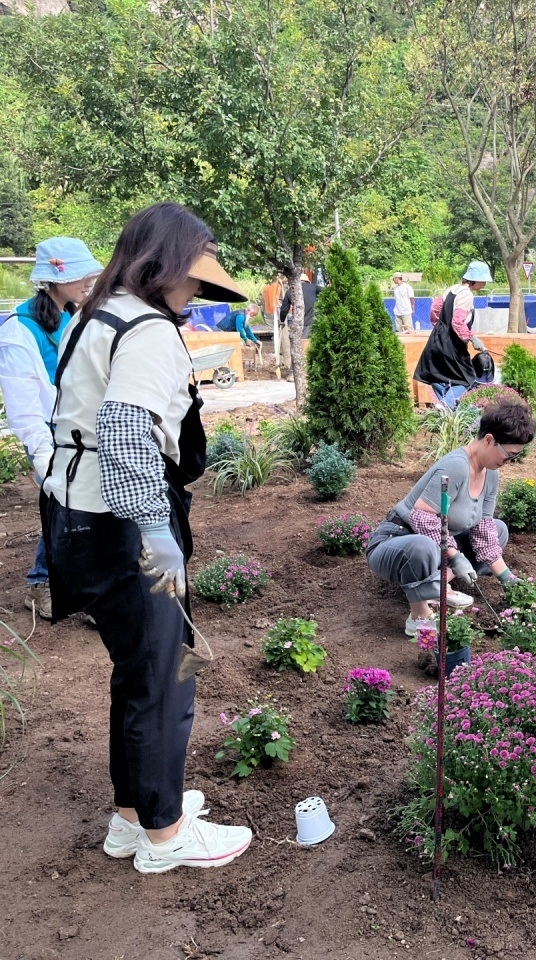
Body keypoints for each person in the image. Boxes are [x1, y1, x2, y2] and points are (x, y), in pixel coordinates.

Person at [42, 202, 252, 873]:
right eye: (193, 276)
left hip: (76, 518)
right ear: (164, 263)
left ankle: (132, 817)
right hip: (123, 525)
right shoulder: (149, 330)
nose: (196, 291)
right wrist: (156, 531)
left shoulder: (94, 315)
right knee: (166, 674)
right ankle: (165, 837)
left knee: (136, 669)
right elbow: (130, 430)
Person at [366, 400, 535, 637]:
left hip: (439, 545)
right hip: (398, 542)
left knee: (498, 530)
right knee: (422, 546)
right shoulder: (456, 466)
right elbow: (423, 518)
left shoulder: (490, 474)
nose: (509, 462)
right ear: (488, 440)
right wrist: (455, 556)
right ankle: (419, 614)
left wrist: (509, 579)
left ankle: (435, 585)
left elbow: (484, 530)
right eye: (509, 455)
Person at [0, 237, 103, 620]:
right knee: (63, 505)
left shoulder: (81, 316)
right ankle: (41, 583)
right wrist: (45, 461)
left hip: (80, 431)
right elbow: (25, 410)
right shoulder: (19, 332)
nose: (89, 280)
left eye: (90, 272)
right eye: (79, 274)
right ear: (51, 280)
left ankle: (88, 587)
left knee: (87, 506)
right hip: (47, 434)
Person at [414, 261, 491, 409]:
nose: (485, 283)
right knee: (467, 377)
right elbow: (457, 321)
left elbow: (435, 309)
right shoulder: (467, 295)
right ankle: (446, 403)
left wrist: (440, 327)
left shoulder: (453, 289)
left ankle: (448, 407)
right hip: (452, 343)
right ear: (474, 279)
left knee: (436, 374)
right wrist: (473, 339)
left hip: (437, 338)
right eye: (483, 280)